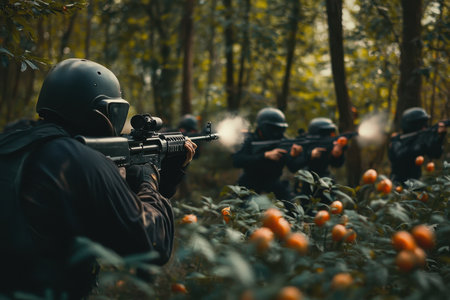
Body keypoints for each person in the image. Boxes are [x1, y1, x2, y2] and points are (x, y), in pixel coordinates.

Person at [0, 58, 197, 299]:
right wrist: (150, 178)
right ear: (102, 111)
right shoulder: (81, 160)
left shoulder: (14, 141)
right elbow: (153, 244)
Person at [232, 107, 302, 209]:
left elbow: (293, 167)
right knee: (238, 211)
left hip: (273, 182)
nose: (277, 132)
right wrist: (265, 155)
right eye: (273, 128)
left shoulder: (283, 141)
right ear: (263, 127)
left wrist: (294, 156)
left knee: (291, 210)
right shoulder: (250, 140)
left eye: (279, 129)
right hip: (249, 182)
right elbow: (237, 161)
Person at [388, 107, 447, 184]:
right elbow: (401, 156)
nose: (424, 127)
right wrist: (421, 142)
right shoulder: (396, 141)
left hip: (415, 184)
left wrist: (439, 137)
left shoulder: (421, 139)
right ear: (412, 125)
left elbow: (435, 154)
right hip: (397, 185)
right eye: (422, 124)